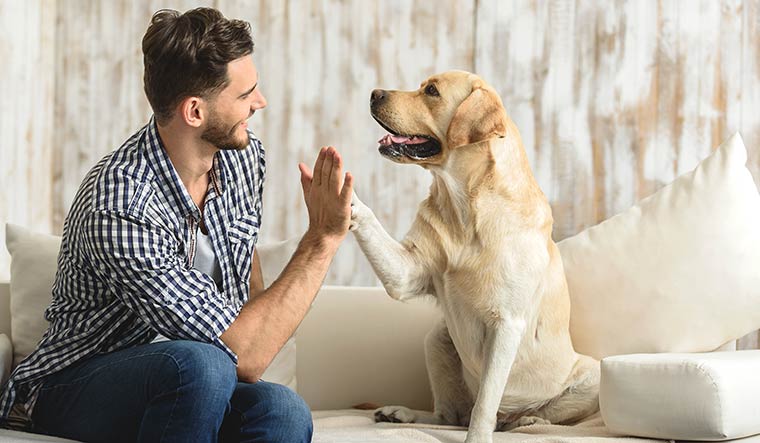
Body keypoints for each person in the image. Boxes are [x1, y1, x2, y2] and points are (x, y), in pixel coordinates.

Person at [0, 7, 353, 442]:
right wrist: (322, 239)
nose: (259, 103)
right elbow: (246, 355)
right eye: (246, 95)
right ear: (194, 112)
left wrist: (254, 330)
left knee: (282, 410)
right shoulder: (120, 203)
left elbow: (246, 272)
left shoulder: (243, 157)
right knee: (202, 365)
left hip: (194, 386)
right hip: (72, 386)